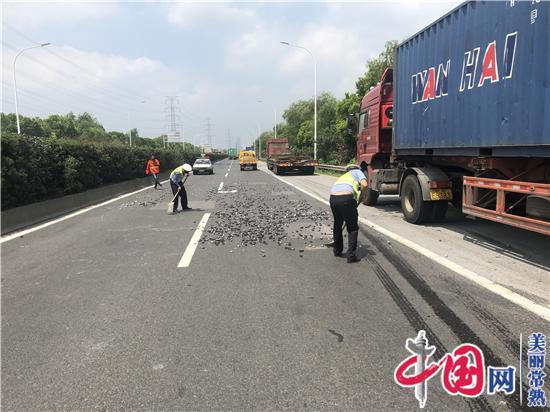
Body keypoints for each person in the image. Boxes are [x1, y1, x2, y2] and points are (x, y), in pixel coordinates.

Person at [329, 164, 368, 263]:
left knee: (337, 224)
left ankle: (337, 250)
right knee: (352, 228)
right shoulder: (357, 172)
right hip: (346, 198)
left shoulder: (343, 176)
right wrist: (362, 195)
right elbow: (364, 184)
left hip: (333, 199)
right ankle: (351, 256)